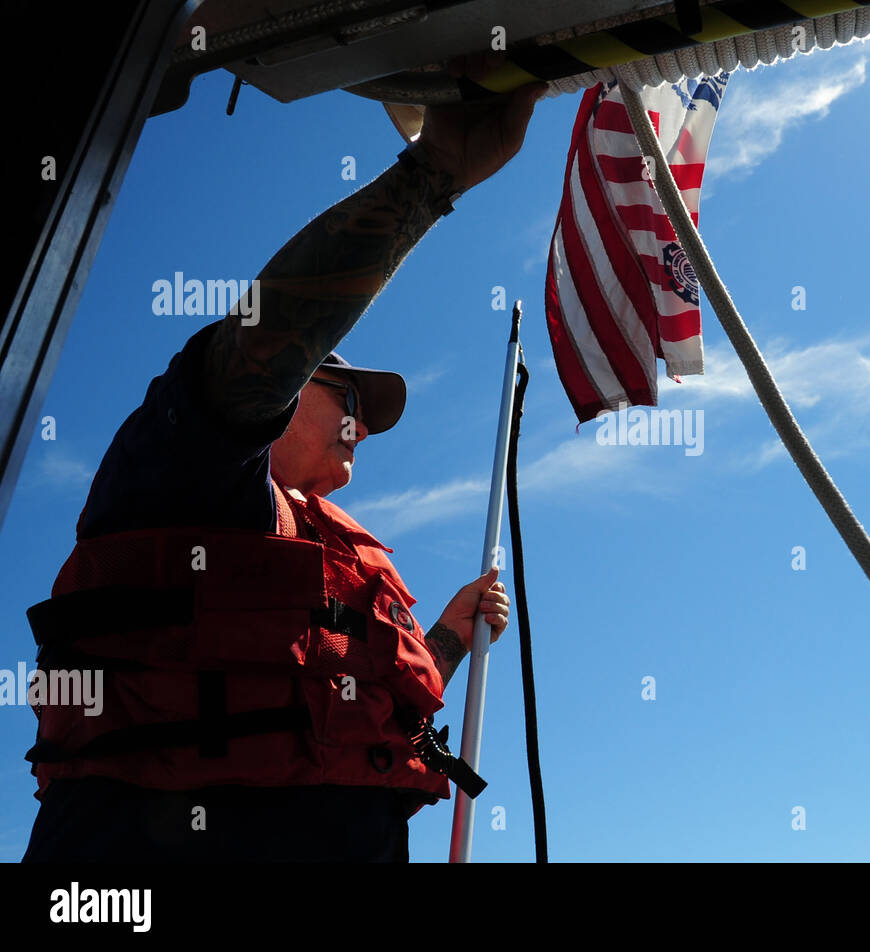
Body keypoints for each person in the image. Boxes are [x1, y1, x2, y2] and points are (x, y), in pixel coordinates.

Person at [21, 69, 548, 863]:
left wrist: (447, 635)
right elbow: (262, 346)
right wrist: (434, 172)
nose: (359, 427)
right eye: (346, 399)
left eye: (368, 419)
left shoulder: (349, 561)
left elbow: (358, 703)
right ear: (294, 385)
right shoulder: (185, 477)